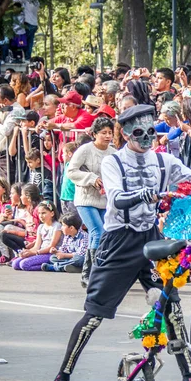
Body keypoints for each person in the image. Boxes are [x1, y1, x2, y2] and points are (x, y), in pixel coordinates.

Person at [49, 104, 191, 381]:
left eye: (150, 132)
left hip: (150, 241)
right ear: (125, 132)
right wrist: (144, 194)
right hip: (119, 243)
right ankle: (61, 379)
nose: (146, 138)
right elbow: (117, 198)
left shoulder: (163, 160)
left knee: (170, 305)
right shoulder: (113, 162)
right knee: (94, 315)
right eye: (138, 132)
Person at [67, 117, 117, 287]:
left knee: (104, 235)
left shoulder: (113, 152)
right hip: (85, 199)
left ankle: (92, 273)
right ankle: (93, 274)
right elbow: (71, 171)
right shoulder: (85, 150)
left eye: (110, 132)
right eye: (103, 133)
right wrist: (91, 178)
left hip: (104, 200)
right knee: (98, 231)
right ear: (95, 134)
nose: (108, 136)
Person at [12, 200, 62, 271]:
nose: (41, 216)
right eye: (39, 213)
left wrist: (35, 253)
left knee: (24, 264)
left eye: (44, 213)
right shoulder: (41, 227)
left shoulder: (57, 226)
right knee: (15, 264)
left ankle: (49, 266)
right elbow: (36, 246)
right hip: (40, 252)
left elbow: (51, 246)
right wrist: (26, 252)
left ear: (52, 213)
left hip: (50, 254)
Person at [0, 183, 40, 264]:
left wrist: (34, 243)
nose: (20, 197)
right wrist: (13, 232)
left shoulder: (37, 211)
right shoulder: (28, 209)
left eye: (22, 195)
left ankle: (27, 254)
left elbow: (40, 231)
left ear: (28, 197)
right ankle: (20, 253)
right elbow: (27, 232)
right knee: (4, 235)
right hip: (27, 241)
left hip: (35, 243)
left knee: (20, 264)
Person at [0, 182, 26, 265]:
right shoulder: (14, 207)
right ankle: (5, 255)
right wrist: (9, 217)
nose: (10, 196)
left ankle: (17, 254)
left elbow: (27, 225)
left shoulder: (26, 207)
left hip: (24, 234)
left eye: (12, 193)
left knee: (8, 227)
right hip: (15, 230)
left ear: (19, 194)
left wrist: (16, 220)